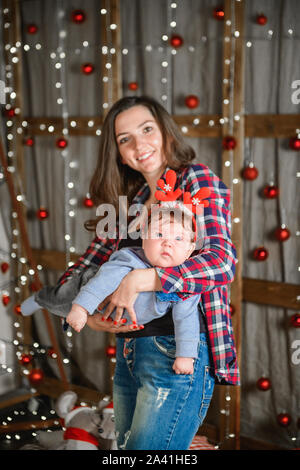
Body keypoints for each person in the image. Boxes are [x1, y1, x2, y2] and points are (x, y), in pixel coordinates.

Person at [25, 96, 239, 450]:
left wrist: (140, 279)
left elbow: (221, 260)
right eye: (125, 139)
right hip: (129, 352)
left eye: (147, 130)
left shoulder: (197, 180)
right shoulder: (132, 202)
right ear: (120, 154)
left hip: (177, 350)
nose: (139, 145)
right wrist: (90, 316)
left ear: (166, 133)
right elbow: (85, 266)